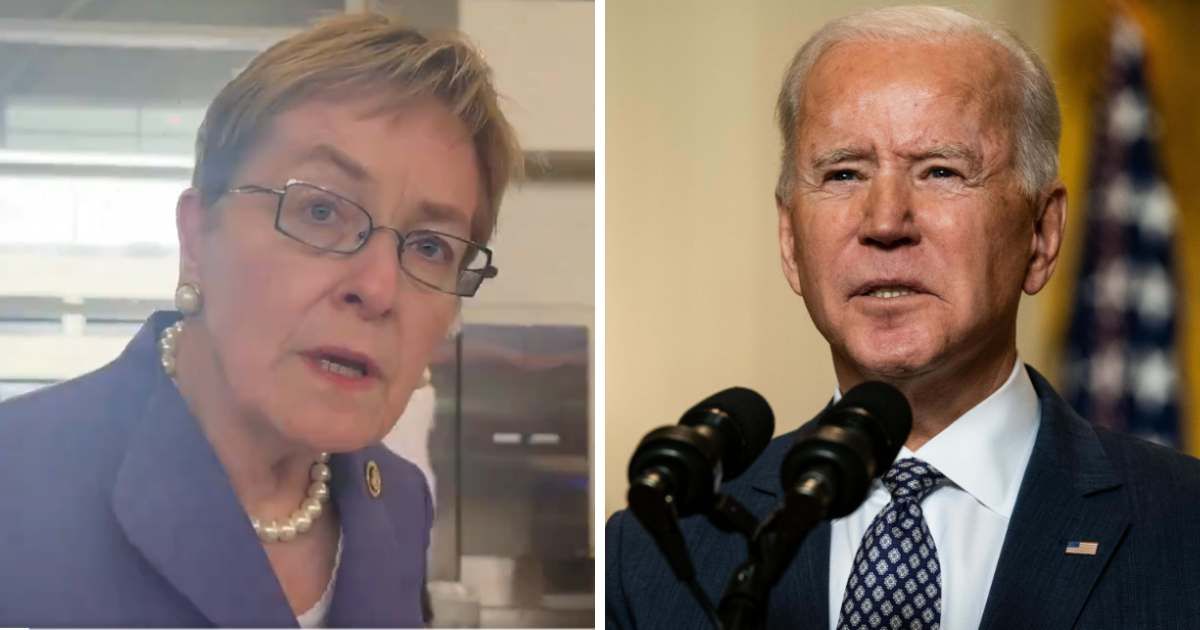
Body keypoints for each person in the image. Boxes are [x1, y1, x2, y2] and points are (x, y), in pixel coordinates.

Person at [607, 5, 1200, 629]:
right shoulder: (657, 552)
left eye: (940, 171)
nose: (886, 222)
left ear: (1042, 234)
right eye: (843, 173)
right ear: (789, 240)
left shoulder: (1184, 526)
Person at [0, 12, 520, 627]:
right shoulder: (19, 479)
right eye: (321, 211)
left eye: (431, 247)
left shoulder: (400, 502)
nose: (380, 288)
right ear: (198, 238)